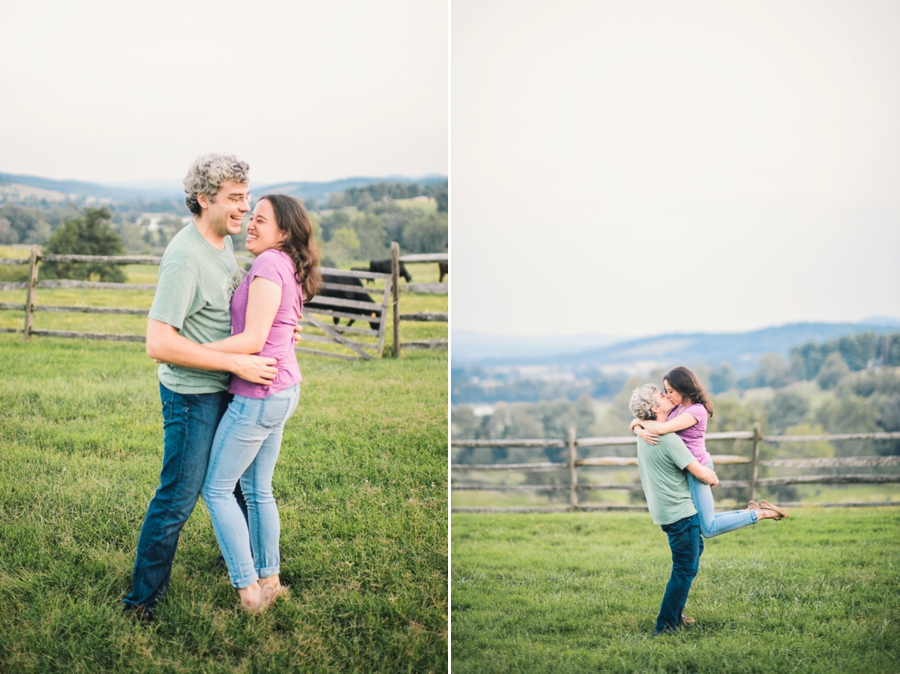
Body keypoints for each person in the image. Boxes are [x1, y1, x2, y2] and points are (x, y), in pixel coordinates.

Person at [123, 154, 280, 621]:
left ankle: (247, 571)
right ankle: (140, 605)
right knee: (177, 497)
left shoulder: (222, 242)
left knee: (231, 486)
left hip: (224, 386)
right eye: (234, 199)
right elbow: (158, 342)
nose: (244, 208)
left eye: (246, 197)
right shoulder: (184, 257)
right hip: (192, 396)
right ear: (203, 199)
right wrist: (232, 360)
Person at [200, 194, 320, 612]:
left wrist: (187, 348)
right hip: (281, 390)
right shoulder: (283, 263)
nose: (251, 224)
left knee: (216, 489)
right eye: (251, 216)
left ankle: (249, 589)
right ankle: (270, 580)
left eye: (261, 220)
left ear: (283, 233)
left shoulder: (270, 264)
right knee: (256, 488)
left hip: (260, 395)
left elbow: (253, 340)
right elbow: (280, 328)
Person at [630, 366, 787, 536]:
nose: (668, 395)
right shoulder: (677, 408)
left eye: (670, 391)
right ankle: (750, 511)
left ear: (683, 388)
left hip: (699, 467)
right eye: (666, 392)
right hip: (687, 467)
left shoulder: (696, 411)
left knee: (708, 528)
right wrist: (637, 427)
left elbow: (662, 428)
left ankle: (759, 513)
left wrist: (638, 426)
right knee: (702, 520)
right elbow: (646, 418)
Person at [629, 383, 718, 634]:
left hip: (665, 512)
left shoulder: (647, 434)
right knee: (685, 568)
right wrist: (712, 476)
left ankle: (675, 613)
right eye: (662, 395)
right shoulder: (668, 439)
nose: (668, 395)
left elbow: (639, 422)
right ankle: (666, 625)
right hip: (680, 512)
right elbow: (701, 474)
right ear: (655, 408)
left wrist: (636, 425)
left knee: (693, 553)